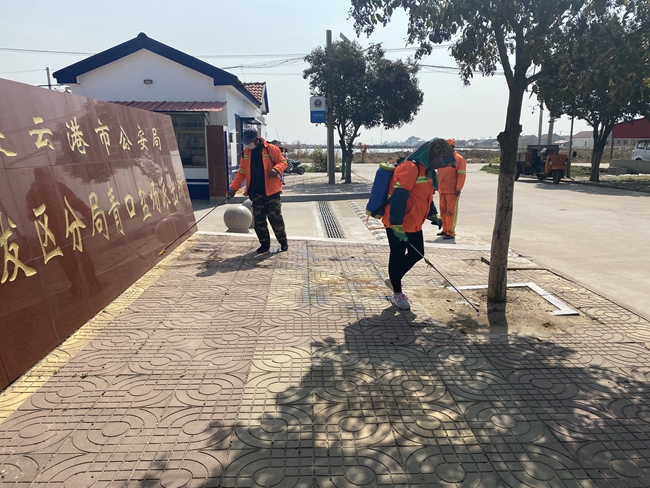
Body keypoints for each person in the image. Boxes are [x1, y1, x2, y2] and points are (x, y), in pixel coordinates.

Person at [382, 138, 454, 310]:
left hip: (414, 222)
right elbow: (399, 195)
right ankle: (397, 294)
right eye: (438, 159)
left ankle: (394, 279)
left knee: (417, 253)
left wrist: (433, 214)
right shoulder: (410, 168)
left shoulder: (427, 172)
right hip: (399, 222)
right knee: (397, 255)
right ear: (430, 155)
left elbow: (425, 196)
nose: (439, 163)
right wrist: (396, 224)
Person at [227, 128, 288, 253]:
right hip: (256, 192)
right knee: (259, 221)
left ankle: (283, 242)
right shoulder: (246, 153)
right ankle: (264, 244)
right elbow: (241, 173)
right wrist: (233, 188)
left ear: (256, 139)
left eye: (249, 141)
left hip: (272, 192)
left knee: (275, 218)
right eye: (246, 142)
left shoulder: (270, 149)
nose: (248, 144)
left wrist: (276, 169)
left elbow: (283, 162)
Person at [437, 138, 467, 239]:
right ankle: (445, 229)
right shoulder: (442, 159)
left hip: (452, 191)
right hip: (442, 190)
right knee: (443, 211)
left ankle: (451, 231)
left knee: (451, 212)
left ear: (452, 147)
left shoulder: (459, 159)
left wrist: (458, 189)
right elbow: (438, 174)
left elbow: (461, 175)